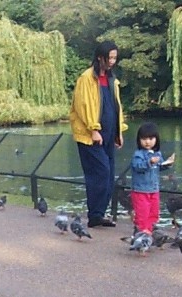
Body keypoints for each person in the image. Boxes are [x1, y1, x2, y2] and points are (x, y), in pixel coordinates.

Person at [69, 40, 127, 229]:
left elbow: (115, 106)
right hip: (91, 135)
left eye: (114, 58)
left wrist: (119, 131)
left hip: (109, 134)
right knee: (100, 172)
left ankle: (98, 214)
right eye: (109, 57)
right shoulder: (86, 78)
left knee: (109, 174)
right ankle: (95, 214)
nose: (112, 61)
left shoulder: (112, 80)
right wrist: (93, 129)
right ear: (99, 57)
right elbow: (82, 105)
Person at [129, 122, 174, 236]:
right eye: (144, 139)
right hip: (141, 190)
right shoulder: (138, 154)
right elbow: (138, 167)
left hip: (154, 189)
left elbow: (158, 167)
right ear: (139, 140)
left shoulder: (157, 153)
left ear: (156, 139)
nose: (147, 141)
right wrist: (149, 162)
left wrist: (167, 163)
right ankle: (142, 233)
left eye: (150, 138)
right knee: (142, 213)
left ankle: (149, 231)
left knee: (153, 213)